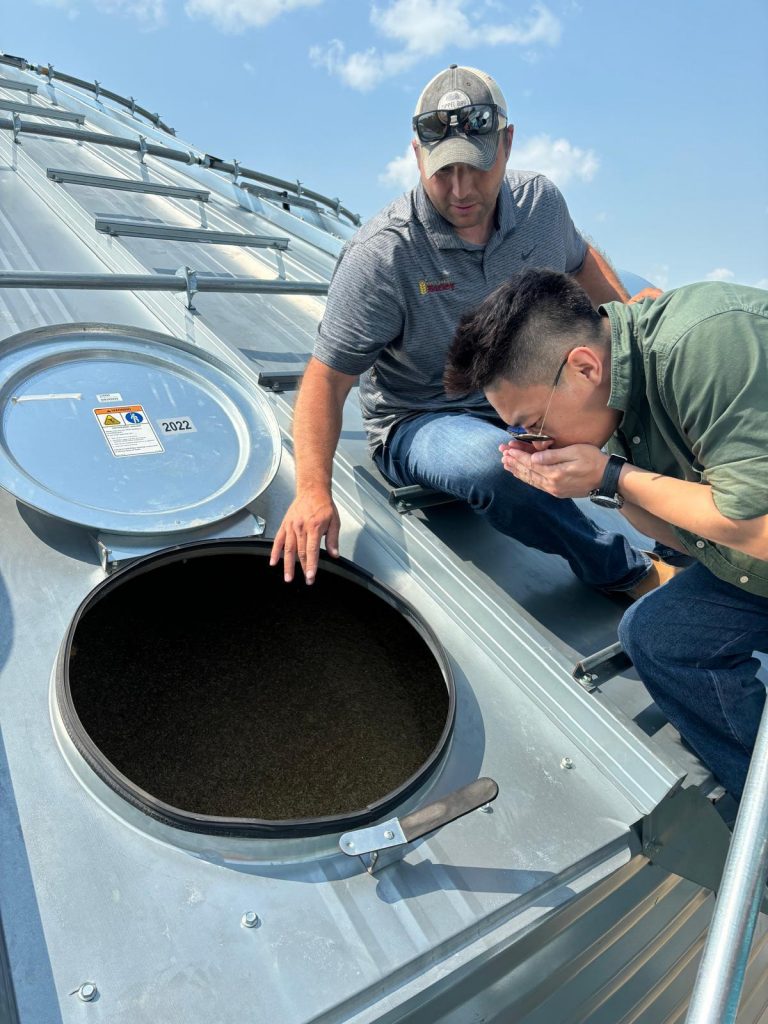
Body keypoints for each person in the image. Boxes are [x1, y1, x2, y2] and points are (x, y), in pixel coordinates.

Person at [270, 63, 672, 598]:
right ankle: (621, 570)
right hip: (422, 417)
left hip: (521, 395)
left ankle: (688, 541)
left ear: (506, 144)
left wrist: (628, 334)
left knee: (627, 386)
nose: (460, 190)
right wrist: (312, 491)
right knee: (494, 464)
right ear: (417, 155)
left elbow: (579, 261)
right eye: (442, 172)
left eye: (476, 168)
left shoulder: (540, 204)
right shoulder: (383, 255)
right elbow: (327, 379)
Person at [444, 267, 768, 798]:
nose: (532, 440)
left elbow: (757, 530)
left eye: (532, 424)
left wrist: (613, 475)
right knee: (657, 636)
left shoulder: (708, 342)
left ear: (584, 367)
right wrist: (603, 485)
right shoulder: (611, 398)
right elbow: (688, 538)